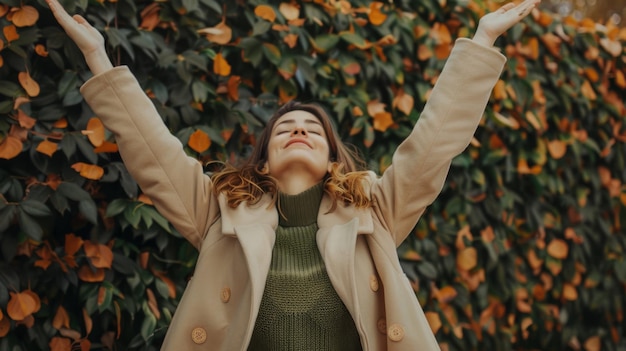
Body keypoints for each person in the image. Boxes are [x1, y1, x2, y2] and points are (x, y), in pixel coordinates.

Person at [47, 0, 541, 349]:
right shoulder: (218, 214)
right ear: (263, 161)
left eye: (313, 129)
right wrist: (96, 57)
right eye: (286, 127)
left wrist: (482, 39)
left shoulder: (376, 212)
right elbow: (151, 150)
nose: (299, 130)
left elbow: (432, 145)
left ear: (332, 160)